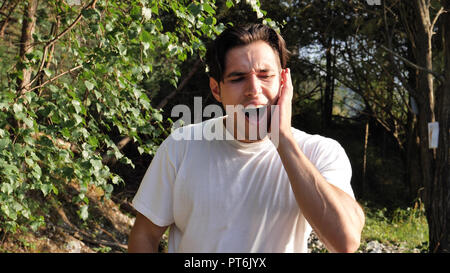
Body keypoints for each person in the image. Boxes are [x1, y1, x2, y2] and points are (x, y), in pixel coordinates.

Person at [128, 24, 365, 253]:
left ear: (284, 82)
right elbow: (145, 235)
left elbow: (344, 241)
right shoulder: (181, 145)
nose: (253, 89)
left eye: (265, 75)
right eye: (238, 78)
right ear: (216, 89)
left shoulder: (319, 152)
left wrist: (283, 140)